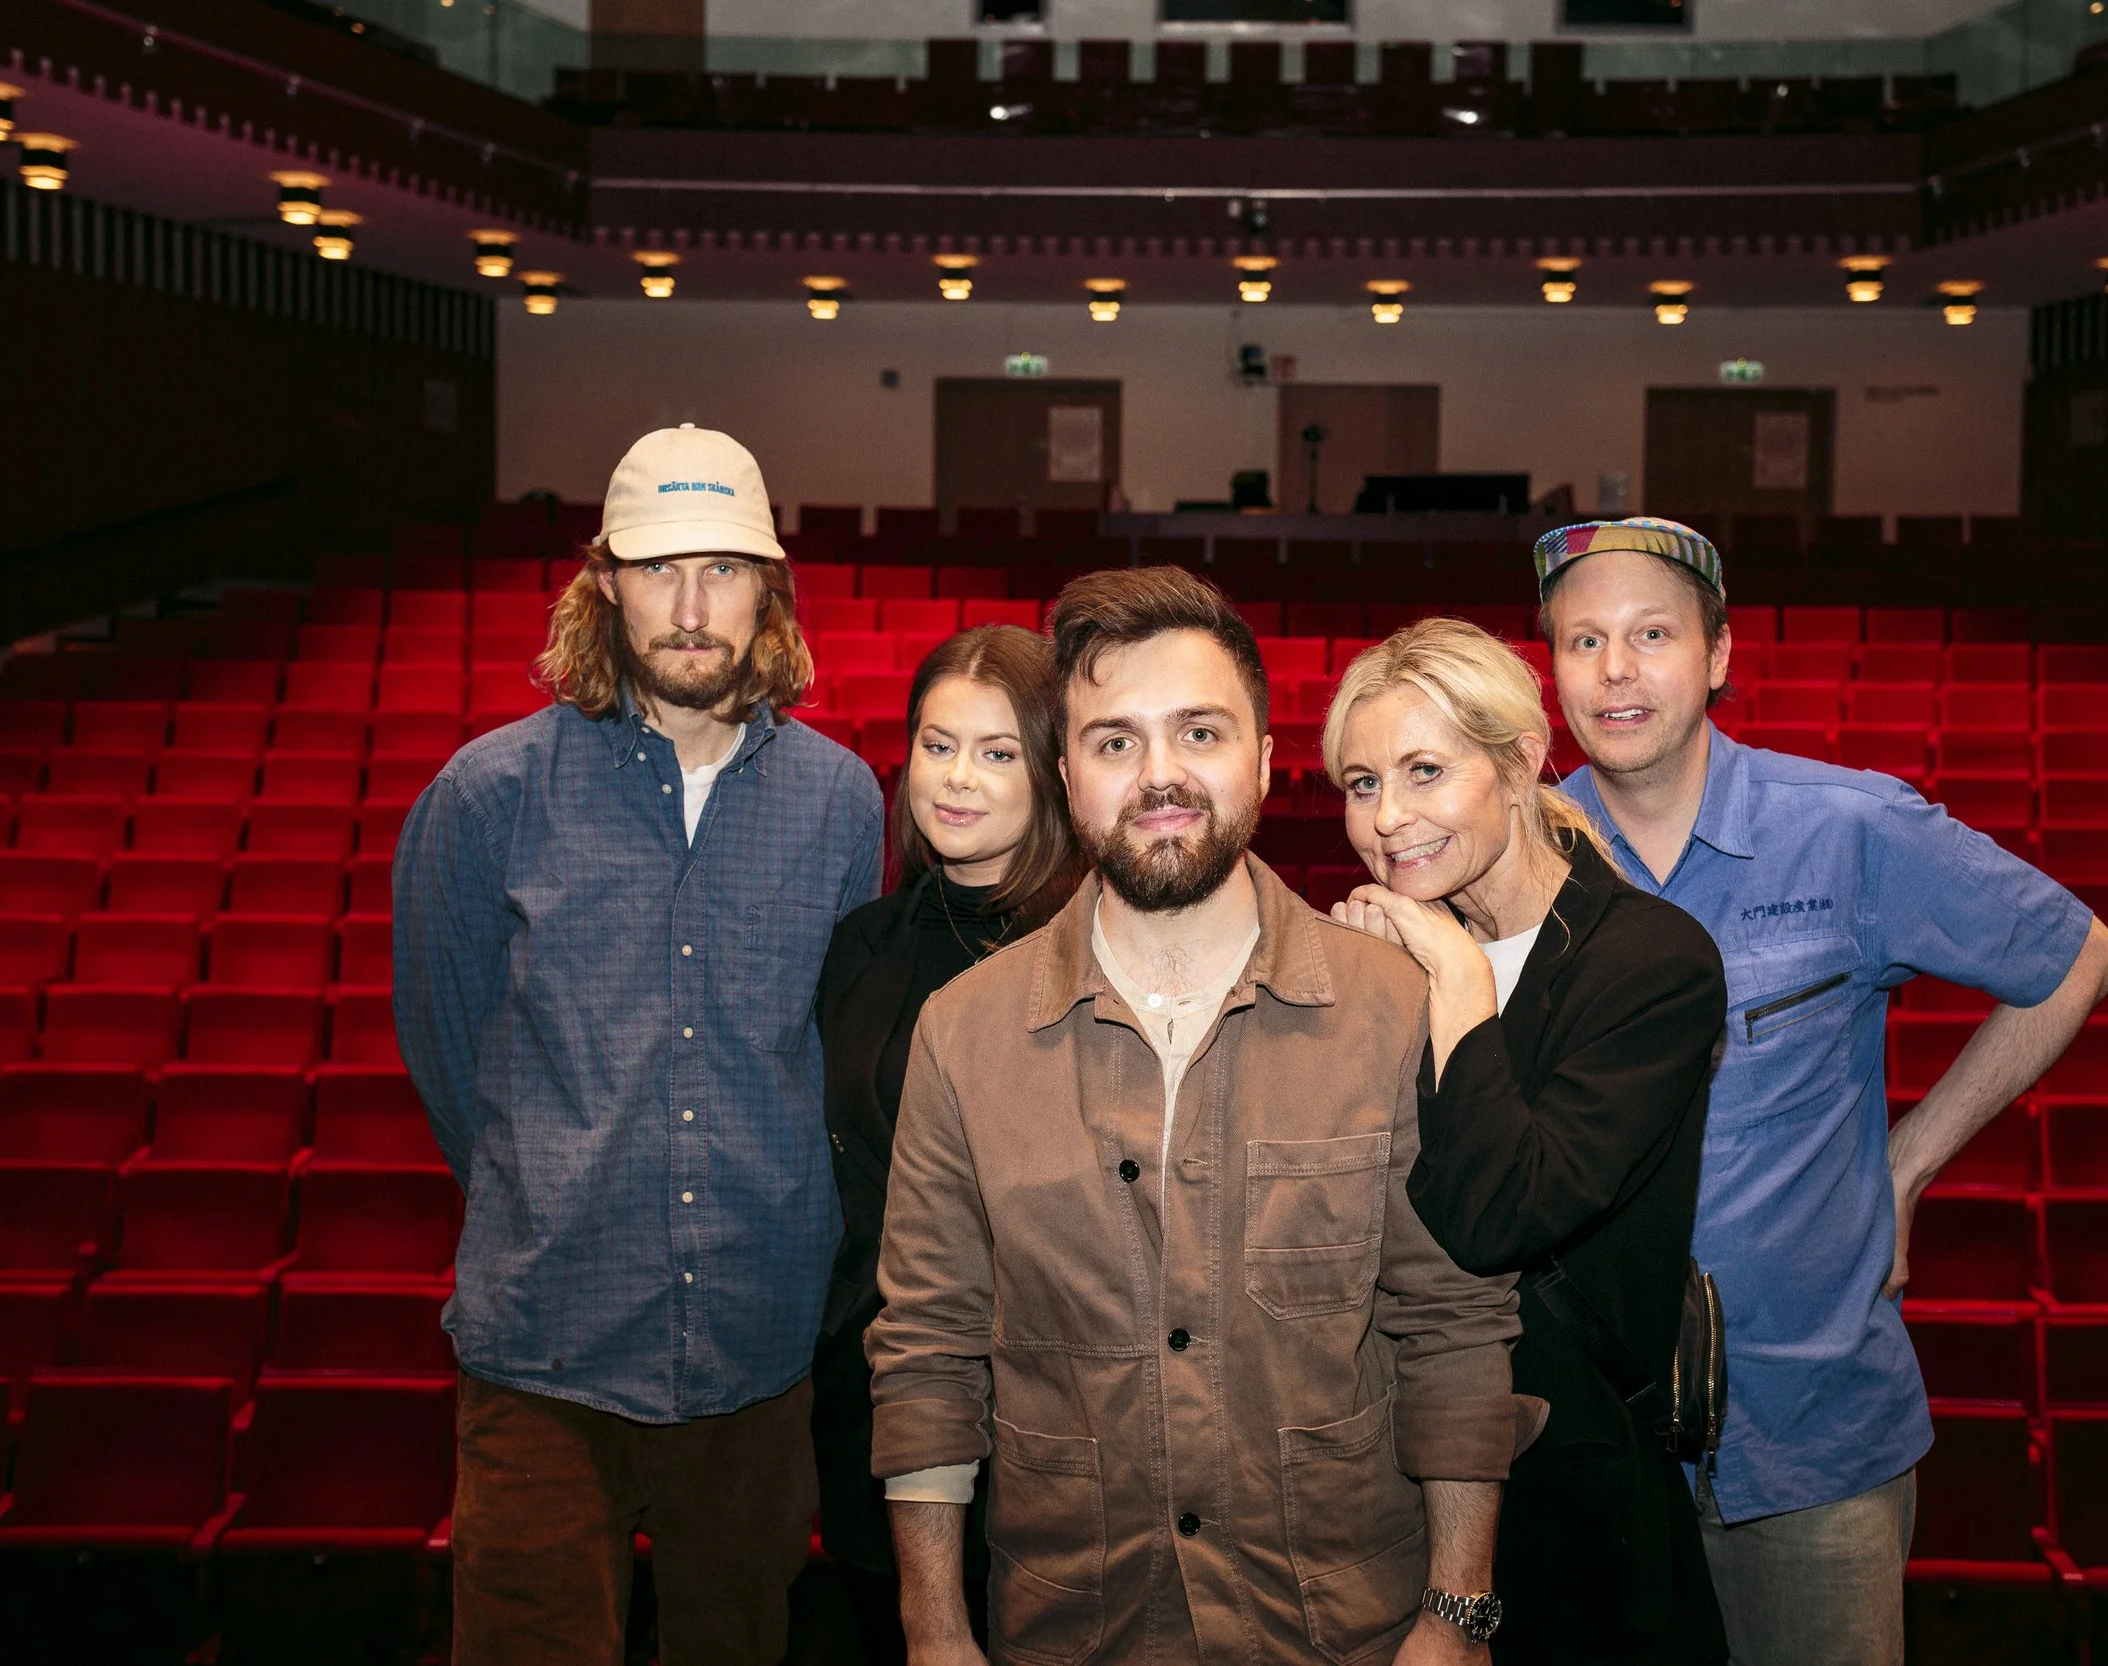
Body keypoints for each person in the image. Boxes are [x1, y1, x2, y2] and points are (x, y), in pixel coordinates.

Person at [866, 566, 1536, 1666]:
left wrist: (1454, 1609)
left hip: (1341, 1631)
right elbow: (927, 1354)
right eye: (1115, 741)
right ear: (1067, 772)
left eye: (1200, 731)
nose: (1161, 773)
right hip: (1070, 1629)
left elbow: (1454, 1327)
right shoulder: (961, 1031)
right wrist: (934, 1627)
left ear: (1266, 761)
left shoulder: (1395, 1006)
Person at [1535, 518, 2108, 1666]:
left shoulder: (1850, 828)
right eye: (1581, 640)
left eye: (1650, 634)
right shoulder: (1523, 855)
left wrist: (1906, 1164)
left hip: (1811, 1440)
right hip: (1594, 1450)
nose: (1614, 669)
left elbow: (2076, 958)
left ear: (1716, 655)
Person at [392, 424, 884, 1666]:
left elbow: (830, 1047)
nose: (691, 605)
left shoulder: (840, 800)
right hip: (545, 1342)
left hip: (758, 1342)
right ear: (603, 580)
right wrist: (555, 1191)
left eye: (723, 568)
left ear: (768, 586)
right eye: (660, 569)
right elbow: (451, 1056)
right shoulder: (486, 794)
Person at [1321, 618, 1731, 1666]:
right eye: (1362, 783)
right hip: (1386, 1488)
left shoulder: (1649, 963)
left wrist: (1458, 985)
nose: (1387, 817)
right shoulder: (1366, 957)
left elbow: (1500, 1217)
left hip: (1579, 1503)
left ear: (1515, 762)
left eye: (1424, 770)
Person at [811, 625, 1084, 1664]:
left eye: (996, 751)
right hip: (878, 1402)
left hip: (1054, 1417)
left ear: (1054, 770)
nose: (956, 779)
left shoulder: (1099, 943)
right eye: (937, 744)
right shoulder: (863, 946)